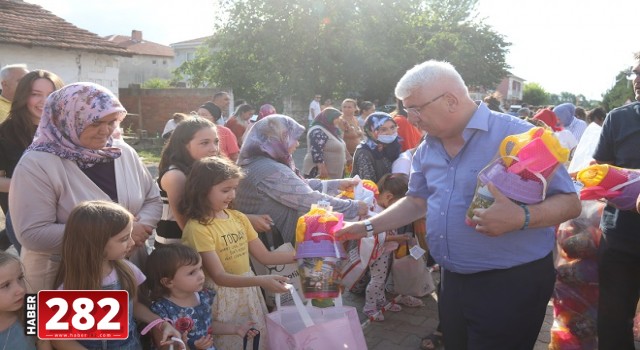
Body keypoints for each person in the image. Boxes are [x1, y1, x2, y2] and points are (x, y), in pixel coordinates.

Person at [336, 60, 580, 349]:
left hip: (511, 283)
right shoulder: (428, 147)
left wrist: (522, 217)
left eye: (415, 108)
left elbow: (570, 203)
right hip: (453, 280)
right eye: (406, 110)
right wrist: (365, 227)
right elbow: (416, 200)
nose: (410, 118)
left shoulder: (520, 137)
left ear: (450, 100)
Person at [9, 82, 162, 292]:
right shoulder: (37, 164)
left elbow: (151, 198)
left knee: (131, 324)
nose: (106, 131)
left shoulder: (121, 152)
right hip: (62, 282)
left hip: (125, 273)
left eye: (112, 122)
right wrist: (121, 234)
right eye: (95, 122)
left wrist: (137, 232)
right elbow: (33, 234)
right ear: (67, 120)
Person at [180, 156, 295, 350]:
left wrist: (303, 255)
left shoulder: (239, 218)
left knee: (254, 341)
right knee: (231, 342)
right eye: (225, 190)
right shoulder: (198, 228)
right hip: (221, 299)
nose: (232, 195)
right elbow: (219, 276)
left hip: (248, 293)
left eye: (234, 188)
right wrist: (262, 281)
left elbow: (266, 257)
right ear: (202, 190)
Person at [52, 201, 182, 350]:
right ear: (96, 243)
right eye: (124, 239)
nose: (132, 242)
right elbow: (60, 340)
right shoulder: (68, 287)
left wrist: (161, 323)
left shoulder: (127, 272)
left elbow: (134, 306)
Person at [235, 114, 367, 244]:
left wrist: (336, 184)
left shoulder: (263, 161)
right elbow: (307, 199)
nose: (297, 144)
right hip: (272, 245)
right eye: (292, 138)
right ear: (276, 140)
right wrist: (353, 207)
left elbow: (295, 185)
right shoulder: (268, 169)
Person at [156, 118, 272, 248]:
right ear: (184, 145)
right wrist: (246, 220)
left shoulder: (206, 169)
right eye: (204, 143)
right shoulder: (176, 176)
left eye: (216, 142)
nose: (213, 149)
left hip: (207, 245)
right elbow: (188, 223)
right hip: (177, 250)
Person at [593, 52, 640, 349]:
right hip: (620, 240)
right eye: (636, 72)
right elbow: (598, 172)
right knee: (612, 322)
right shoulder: (618, 119)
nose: (638, 80)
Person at [145, 244, 259, 349]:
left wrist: (235, 329)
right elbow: (162, 345)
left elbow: (207, 325)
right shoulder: (160, 310)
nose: (201, 276)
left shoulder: (203, 295)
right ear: (168, 282)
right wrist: (189, 345)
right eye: (191, 273)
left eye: (200, 268)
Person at [0, 70, 64, 253]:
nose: (44, 101)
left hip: (69, 215)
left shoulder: (68, 132)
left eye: (51, 95)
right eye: (35, 94)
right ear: (23, 96)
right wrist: (36, 185)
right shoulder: (5, 134)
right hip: (28, 220)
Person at [362, 174, 412, 321]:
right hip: (378, 252)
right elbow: (376, 237)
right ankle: (369, 307)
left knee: (381, 278)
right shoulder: (374, 212)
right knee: (377, 280)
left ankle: (381, 302)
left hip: (384, 250)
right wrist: (399, 238)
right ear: (389, 197)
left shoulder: (381, 207)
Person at [0, 251, 46, 349]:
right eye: (6, 285)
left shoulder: (31, 310)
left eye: (20, 278)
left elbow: (43, 344)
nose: (20, 289)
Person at [351, 112, 401, 183]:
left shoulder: (392, 146)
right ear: (370, 132)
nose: (390, 132)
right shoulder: (364, 152)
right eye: (383, 129)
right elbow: (368, 184)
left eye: (392, 127)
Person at [302, 107, 348, 179]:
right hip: (320, 171)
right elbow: (316, 150)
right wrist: (321, 167)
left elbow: (341, 145)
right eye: (337, 118)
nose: (339, 120)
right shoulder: (318, 130)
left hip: (332, 172)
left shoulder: (332, 130)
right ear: (329, 118)